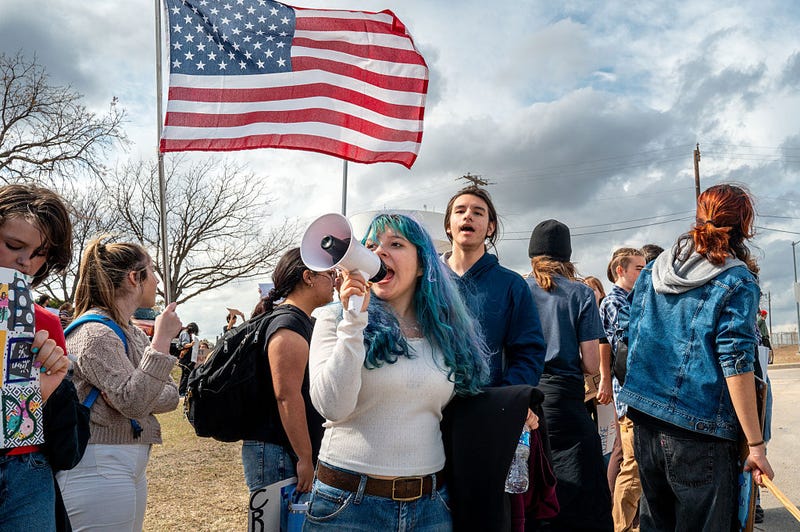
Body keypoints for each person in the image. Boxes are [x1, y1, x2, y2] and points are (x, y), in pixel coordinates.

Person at [305, 213, 492, 530]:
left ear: (422, 265)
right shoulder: (332, 319)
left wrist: (518, 409)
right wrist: (353, 322)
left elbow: (465, 403)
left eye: (395, 244)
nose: (379, 252)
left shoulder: (445, 332)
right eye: (371, 245)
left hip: (431, 507)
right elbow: (332, 407)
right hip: (347, 506)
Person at [618, 184, 774, 531]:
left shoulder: (653, 270)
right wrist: (755, 444)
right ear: (744, 225)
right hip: (699, 430)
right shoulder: (736, 280)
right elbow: (736, 361)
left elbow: (633, 339)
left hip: (645, 420)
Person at [57, 236, 182, 532]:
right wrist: (162, 340)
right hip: (97, 465)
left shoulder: (132, 333)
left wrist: (140, 388)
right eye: (151, 271)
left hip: (127, 464)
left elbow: (171, 394)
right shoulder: (95, 333)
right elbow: (134, 401)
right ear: (133, 278)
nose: (156, 281)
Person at [526, 219, 613, 531]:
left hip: (526, 399)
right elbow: (591, 363)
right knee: (583, 491)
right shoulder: (582, 293)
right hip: (567, 400)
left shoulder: (519, 289)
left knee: (534, 484)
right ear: (567, 255)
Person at [0, 184, 74, 532]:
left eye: (41, 253)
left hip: (28, 468)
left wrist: (48, 389)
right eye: (13, 245)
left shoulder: (45, 322)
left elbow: (36, 423)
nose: (26, 261)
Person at [240, 248, 335, 499]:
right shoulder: (288, 325)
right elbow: (287, 396)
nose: (335, 278)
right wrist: (304, 457)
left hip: (283, 448)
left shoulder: (301, 321)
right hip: (278, 451)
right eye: (329, 272)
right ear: (308, 277)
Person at [442, 185, 546, 387]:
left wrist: (505, 401)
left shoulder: (512, 285)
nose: (468, 216)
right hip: (426, 413)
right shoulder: (425, 281)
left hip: (487, 409)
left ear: (491, 227)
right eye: (460, 211)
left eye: (478, 212)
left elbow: (529, 354)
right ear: (448, 225)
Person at [599, 247, 645, 532]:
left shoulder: (632, 300)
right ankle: (620, 525)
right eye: (639, 268)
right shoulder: (614, 302)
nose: (644, 273)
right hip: (629, 395)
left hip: (638, 395)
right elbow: (633, 340)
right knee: (633, 465)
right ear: (621, 270)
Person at [177, 322, 199, 396]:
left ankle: (182, 390)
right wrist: (192, 344)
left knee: (186, 374)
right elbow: (185, 345)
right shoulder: (185, 334)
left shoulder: (187, 334)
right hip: (185, 358)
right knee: (186, 375)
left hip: (187, 358)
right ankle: (181, 391)